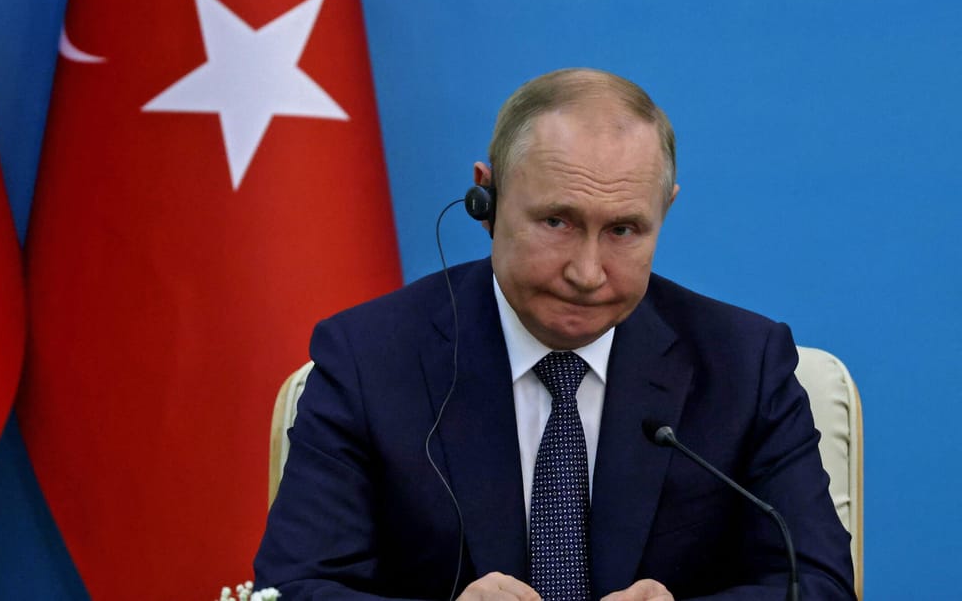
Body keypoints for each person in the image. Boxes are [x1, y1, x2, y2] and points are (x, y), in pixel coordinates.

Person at [254, 68, 855, 600]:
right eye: (556, 221)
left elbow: (818, 584)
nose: (587, 274)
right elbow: (294, 587)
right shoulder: (368, 358)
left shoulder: (745, 365)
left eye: (623, 230)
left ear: (664, 211)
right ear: (486, 198)